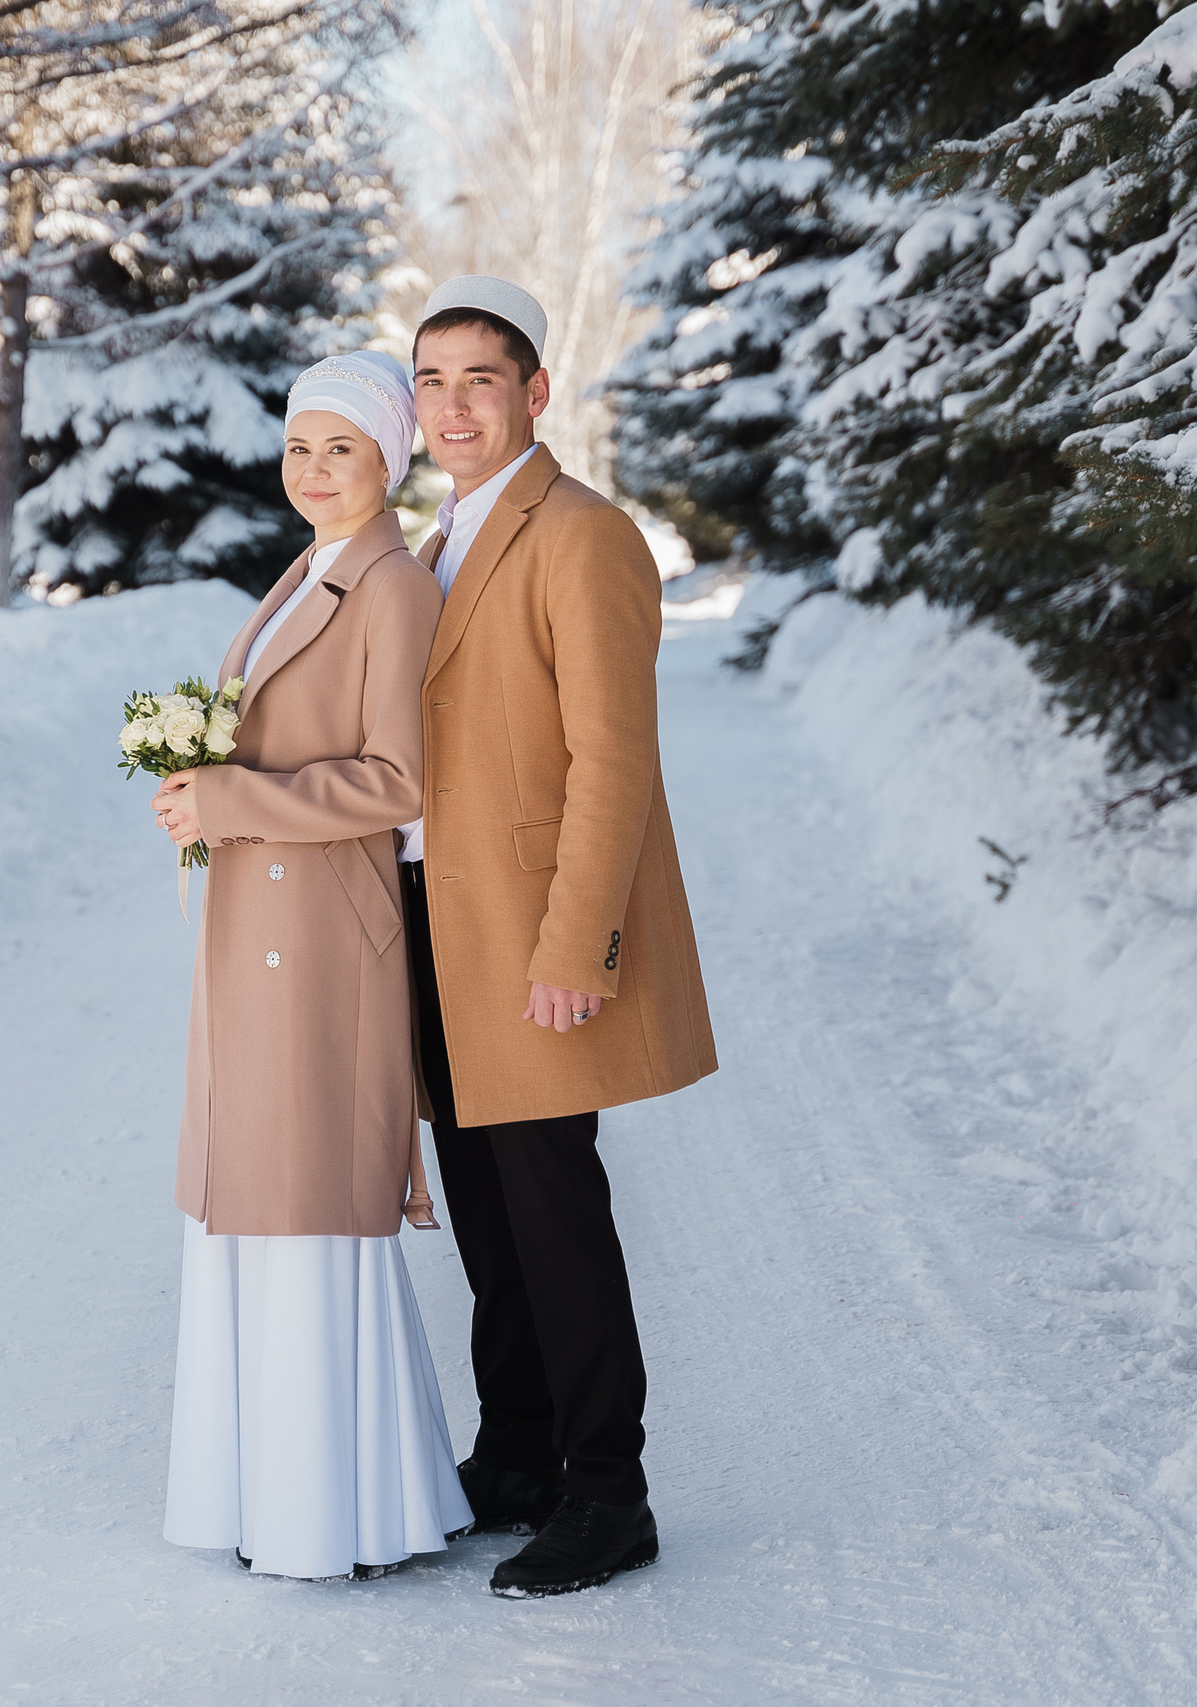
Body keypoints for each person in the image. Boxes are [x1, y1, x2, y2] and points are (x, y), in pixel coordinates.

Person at [398, 277, 718, 1599]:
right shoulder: (434, 542)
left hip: (528, 934)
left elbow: (613, 760)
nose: (453, 405)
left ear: (533, 393)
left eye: (480, 379)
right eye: (431, 380)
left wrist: (575, 944)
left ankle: (608, 1492)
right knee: (487, 1216)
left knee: (554, 1215)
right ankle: (520, 1456)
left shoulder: (581, 534)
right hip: (435, 925)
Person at [147, 350, 474, 1581]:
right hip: (263, 925)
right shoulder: (308, 572)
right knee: (257, 1190)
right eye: (299, 447)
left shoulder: (391, 586)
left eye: (342, 448)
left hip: (326, 931)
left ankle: (333, 1512)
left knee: (304, 1196)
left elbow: (399, 781)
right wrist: (199, 787)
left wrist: (234, 798)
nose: (315, 469)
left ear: (390, 458)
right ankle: (271, 1494)